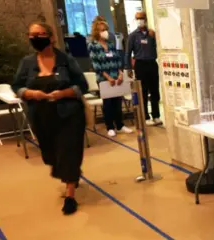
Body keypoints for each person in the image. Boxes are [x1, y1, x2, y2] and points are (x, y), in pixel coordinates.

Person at [12, 21, 89, 215]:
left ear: (51, 36)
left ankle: (70, 194)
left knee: (69, 151)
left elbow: (83, 85)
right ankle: (71, 174)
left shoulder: (66, 60)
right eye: (32, 35)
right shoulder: (27, 63)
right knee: (53, 155)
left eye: (40, 34)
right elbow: (16, 86)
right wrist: (29, 93)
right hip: (41, 117)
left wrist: (63, 93)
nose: (36, 38)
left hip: (69, 114)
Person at [88, 20, 133, 137]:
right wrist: (108, 77)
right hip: (103, 79)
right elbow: (96, 65)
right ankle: (110, 126)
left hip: (116, 77)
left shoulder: (111, 45)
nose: (105, 32)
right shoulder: (93, 45)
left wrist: (120, 74)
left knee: (118, 102)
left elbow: (117, 60)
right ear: (97, 32)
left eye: (106, 29)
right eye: (102, 30)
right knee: (107, 103)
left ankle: (120, 125)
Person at [125, 12, 162, 126]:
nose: (140, 20)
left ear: (145, 19)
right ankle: (145, 116)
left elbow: (160, 47)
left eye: (141, 18)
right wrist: (128, 69)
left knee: (155, 91)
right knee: (143, 92)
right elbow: (127, 53)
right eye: (137, 18)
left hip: (152, 64)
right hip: (140, 65)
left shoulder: (151, 34)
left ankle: (156, 115)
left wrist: (156, 37)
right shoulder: (133, 36)